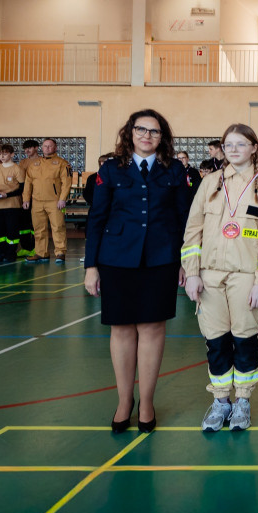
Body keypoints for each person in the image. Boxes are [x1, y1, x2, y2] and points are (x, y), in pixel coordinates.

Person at [84, 109, 192, 433]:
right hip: (116, 259)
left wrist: (187, 260)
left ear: (163, 137)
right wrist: (91, 266)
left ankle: (146, 401)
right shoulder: (110, 169)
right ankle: (123, 401)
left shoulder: (174, 170)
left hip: (161, 258)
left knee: (152, 329)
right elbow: (97, 217)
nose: (147, 135)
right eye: (141, 129)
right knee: (121, 330)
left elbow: (185, 218)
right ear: (130, 132)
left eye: (154, 131)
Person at [183, 124, 258, 433]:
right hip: (209, 276)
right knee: (215, 342)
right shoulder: (210, 184)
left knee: (243, 340)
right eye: (229, 145)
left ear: (254, 147)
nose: (234, 149)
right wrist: (192, 273)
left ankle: (242, 400)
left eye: (241, 144)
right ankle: (220, 401)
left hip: (245, 276)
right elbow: (193, 231)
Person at [22, 137, 72, 263]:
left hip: (54, 202)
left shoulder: (62, 163)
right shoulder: (34, 164)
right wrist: (26, 199)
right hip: (37, 201)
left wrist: (62, 199)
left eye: (50, 146)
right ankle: (41, 253)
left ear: (55, 148)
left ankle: (60, 252)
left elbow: (66, 183)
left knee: (58, 227)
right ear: (41, 148)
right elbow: (28, 183)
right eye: (45, 146)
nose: (47, 148)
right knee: (39, 229)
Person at [0, 144, 25, 262]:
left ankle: (10, 253)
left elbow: (22, 188)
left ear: (12, 154)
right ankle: (1, 252)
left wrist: (7, 195)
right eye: (0, 154)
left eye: (5, 154)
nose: (2, 156)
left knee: (12, 230)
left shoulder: (17, 169)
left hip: (12, 205)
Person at [16, 140, 39, 256]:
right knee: (24, 224)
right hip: (24, 196)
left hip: (37, 196)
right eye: (25, 149)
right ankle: (25, 247)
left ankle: (36, 248)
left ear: (36, 148)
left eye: (29, 148)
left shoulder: (42, 161)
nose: (27, 151)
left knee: (36, 223)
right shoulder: (22, 162)